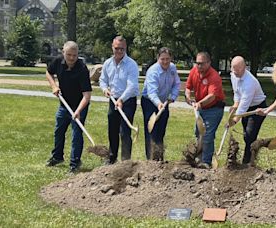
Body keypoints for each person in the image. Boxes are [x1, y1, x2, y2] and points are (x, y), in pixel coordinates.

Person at [45, 41, 92, 173]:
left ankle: (75, 163)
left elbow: (87, 96)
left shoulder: (82, 69)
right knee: (59, 131)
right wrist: (54, 86)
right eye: (69, 55)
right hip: (64, 105)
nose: (72, 58)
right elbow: (48, 73)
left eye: (75, 55)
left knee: (76, 134)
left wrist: (77, 112)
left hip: (79, 106)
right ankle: (57, 157)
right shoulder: (58, 61)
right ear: (63, 52)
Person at [99, 36, 139, 164]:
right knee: (112, 129)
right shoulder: (107, 63)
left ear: (125, 48)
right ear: (112, 47)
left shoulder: (131, 65)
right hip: (113, 99)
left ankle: (125, 161)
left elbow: (132, 86)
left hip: (127, 101)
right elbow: (103, 80)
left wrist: (122, 99)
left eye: (122, 49)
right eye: (117, 48)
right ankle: (112, 157)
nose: (119, 51)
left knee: (125, 131)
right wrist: (105, 89)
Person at [185, 52, 225, 169]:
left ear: (209, 63)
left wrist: (200, 103)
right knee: (198, 133)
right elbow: (188, 87)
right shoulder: (194, 71)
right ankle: (199, 158)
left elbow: (212, 96)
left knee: (207, 135)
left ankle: (206, 162)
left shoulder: (214, 76)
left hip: (214, 109)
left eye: (202, 64)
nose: (199, 66)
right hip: (201, 109)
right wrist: (188, 97)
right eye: (197, 63)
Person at [141, 47, 181, 160]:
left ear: (171, 58)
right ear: (158, 58)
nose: (165, 62)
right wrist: (158, 104)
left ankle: (159, 159)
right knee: (152, 131)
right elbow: (151, 92)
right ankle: (151, 160)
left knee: (161, 130)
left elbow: (177, 84)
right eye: (162, 59)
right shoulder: (153, 71)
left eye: (167, 59)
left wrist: (172, 97)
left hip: (164, 101)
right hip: (149, 101)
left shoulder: (172, 68)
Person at [228, 56, 267, 164]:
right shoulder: (233, 75)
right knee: (246, 135)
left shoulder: (250, 82)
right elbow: (237, 92)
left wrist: (235, 120)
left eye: (238, 70)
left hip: (257, 108)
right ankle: (249, 158)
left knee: (250, 135)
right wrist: (235, 104)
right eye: (233, 69)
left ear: (244, 67)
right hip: (246, 106)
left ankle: (247, 163)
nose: (235, 72)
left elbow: (244, 104)